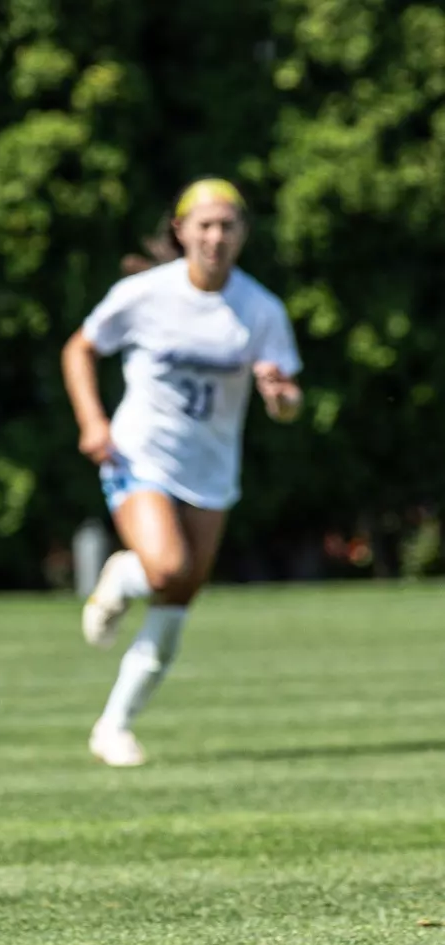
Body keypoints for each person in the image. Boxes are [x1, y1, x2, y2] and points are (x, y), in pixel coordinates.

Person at [61, 178, 302, 766]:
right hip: (140, 454)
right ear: (181, 231)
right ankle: (122, 578)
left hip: (211, 469)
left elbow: (290, 402)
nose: (216, 237)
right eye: (205, 225)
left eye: (228, 226)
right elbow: (79, 349)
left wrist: (279, 396)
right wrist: (92, 422)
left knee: (180, 594)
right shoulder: (145, 294)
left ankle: (114, 726)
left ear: (243, 234)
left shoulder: (261, 309)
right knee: (168, 567)